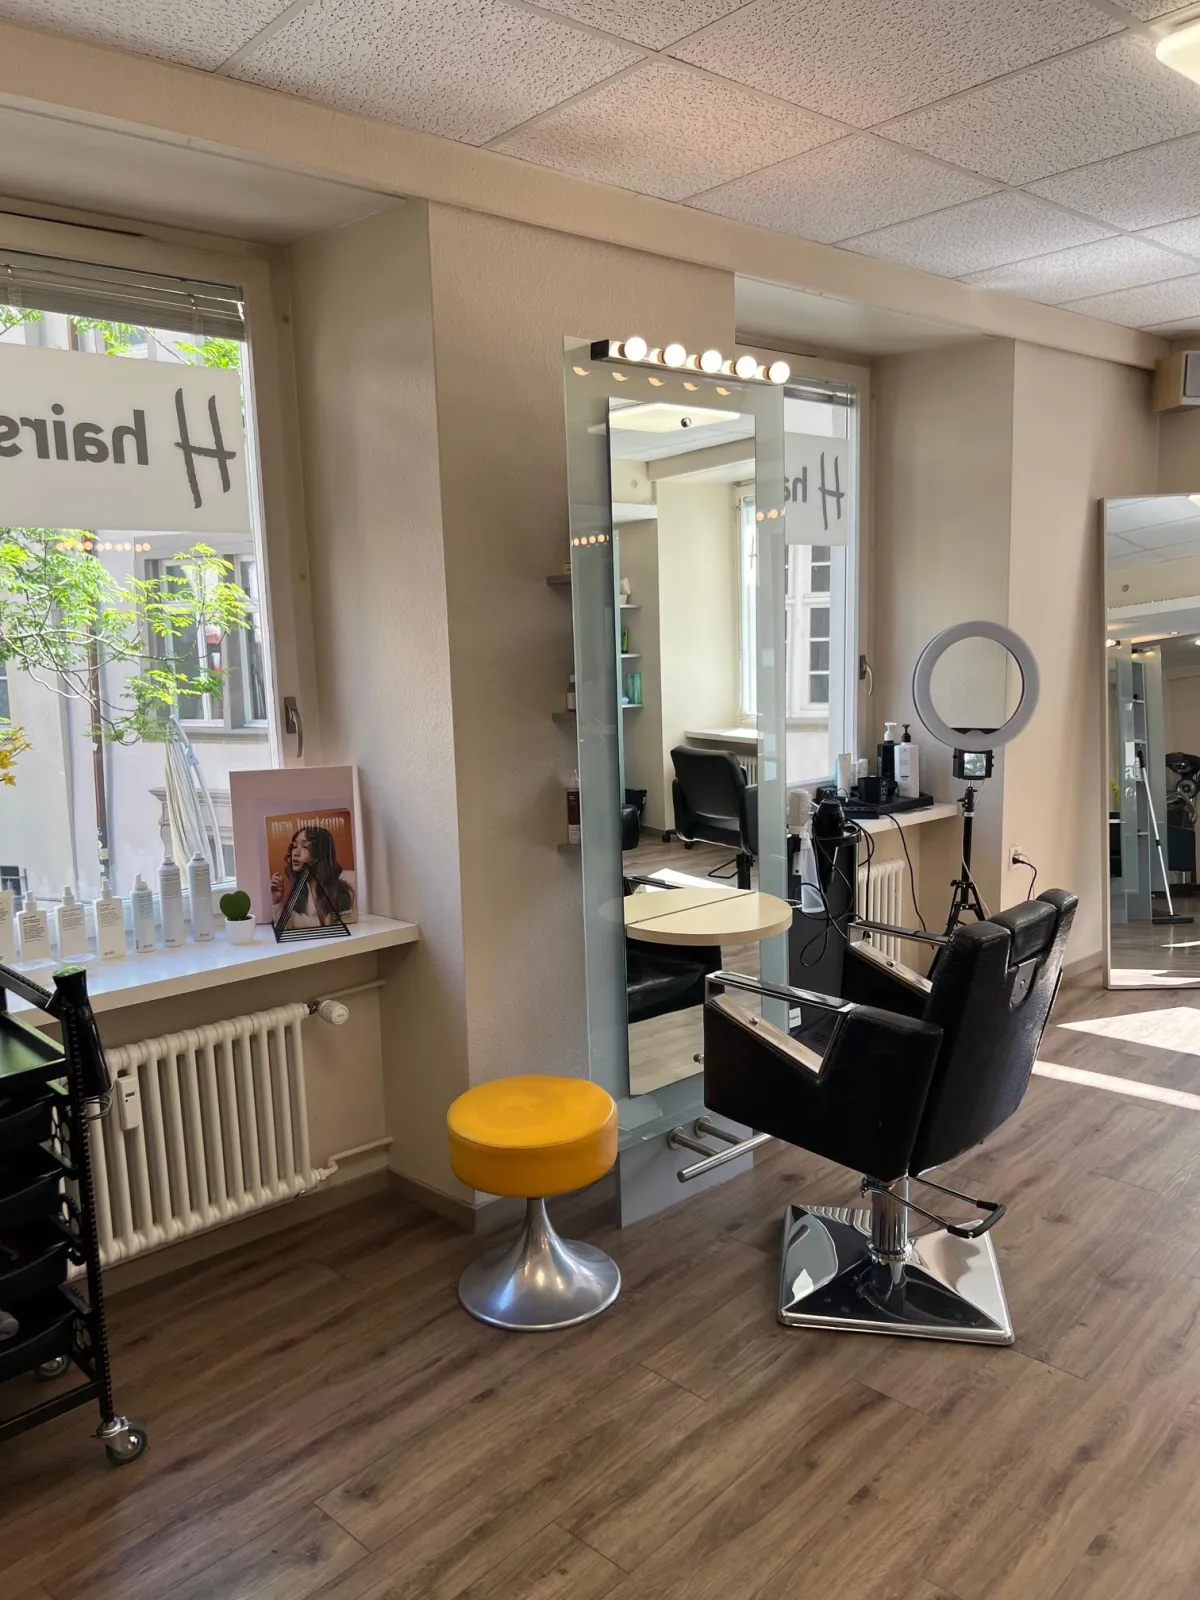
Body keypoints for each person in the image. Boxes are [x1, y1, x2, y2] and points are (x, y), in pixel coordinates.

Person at [270, 825, 355, 927]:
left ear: (320, 852)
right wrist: (276, 901)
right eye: (295, 846)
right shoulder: (298, 892)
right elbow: (284, 931)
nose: (295, 853)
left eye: (305, 846)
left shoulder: (349, 881)